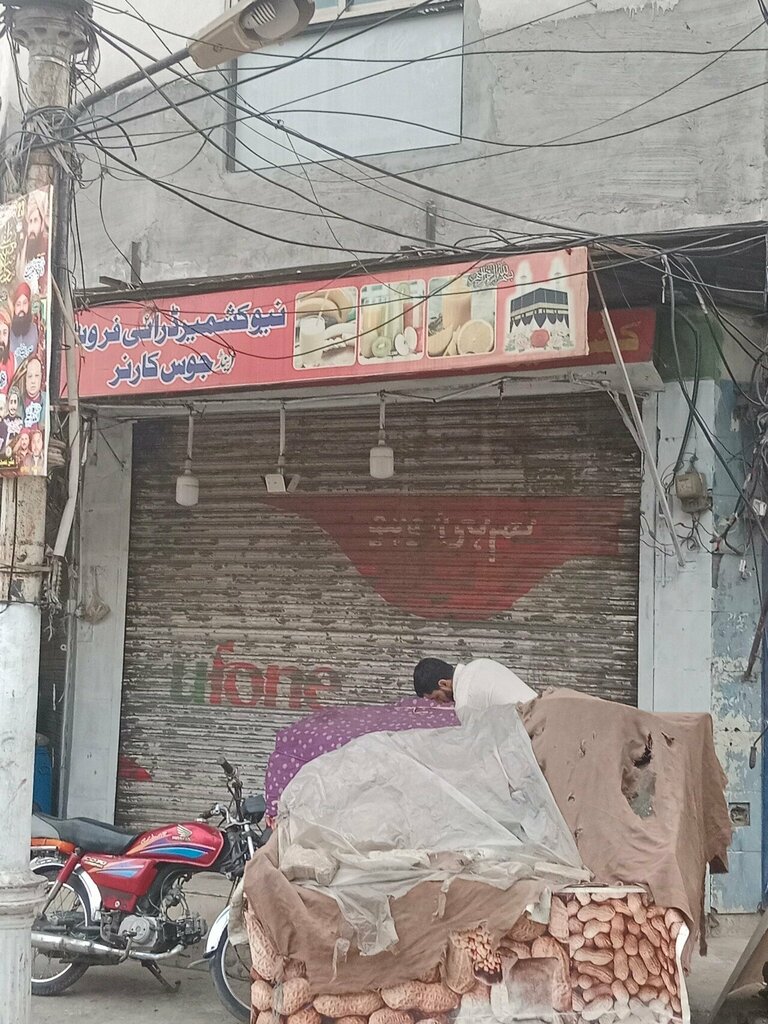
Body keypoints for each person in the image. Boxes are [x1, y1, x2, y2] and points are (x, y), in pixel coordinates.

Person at [413, 656, 537, 721]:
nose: (439, 703)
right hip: (545, 709)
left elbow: (480, 747)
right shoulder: (481, 663)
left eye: (437, 697)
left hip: (535, 733)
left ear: (443, 684)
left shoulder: (464, 703)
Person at [10, 283, 39, 370]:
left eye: (25, 303)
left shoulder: (36, 330)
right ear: (14, 307)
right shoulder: (6, 332)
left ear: (29, 305)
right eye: (18, 304)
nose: (21, 309)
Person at [22, 355, 44, 428]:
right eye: (30, 376)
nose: (33, 381)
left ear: (41, 377)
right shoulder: (18, 401)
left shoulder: (46, 400)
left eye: (37, 376)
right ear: (25, 379)